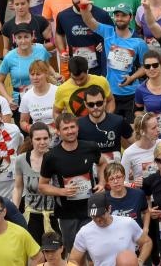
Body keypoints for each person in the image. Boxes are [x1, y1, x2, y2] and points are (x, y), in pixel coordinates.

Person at [39, 113, 108, 253]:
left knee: (95, 250)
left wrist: (102, 182)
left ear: (78, 128)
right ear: (58, 131)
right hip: (67, 214)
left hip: (91, 209)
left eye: (72, 127)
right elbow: (42, 186)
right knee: (74, 253)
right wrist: (61, 191)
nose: (70, 131)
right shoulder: (51, 156)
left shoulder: (90, 147)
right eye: (65, 128)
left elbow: (103, 163)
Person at [67, 191, 151, 265]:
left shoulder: (127, 223)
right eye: (94, 216)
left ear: (109, 209)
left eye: (101, 214)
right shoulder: (84, 232)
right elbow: (73, 260)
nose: (98, 219)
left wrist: (140, 261)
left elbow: (147, 242)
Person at [15, 122, 59, 242]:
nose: (42, 142)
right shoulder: (21, 160)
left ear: (50, 139)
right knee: (35, 256)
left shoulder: (57, 157)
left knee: (55, 255)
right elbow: (18, 188)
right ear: (31, 140)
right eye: (38, 139)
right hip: (32, 215)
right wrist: (15, 211)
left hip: (54, 214)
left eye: (45, 138)